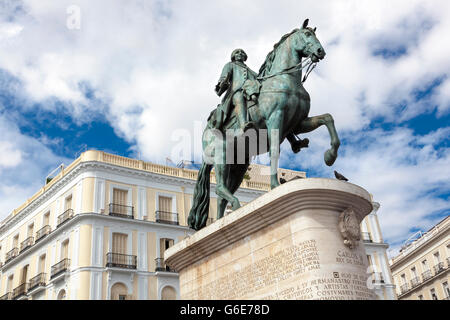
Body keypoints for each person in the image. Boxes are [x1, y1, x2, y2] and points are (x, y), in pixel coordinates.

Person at [214, 48, 261, 132]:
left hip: (251, 90)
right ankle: (244, 124)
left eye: (242, 52)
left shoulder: (248, 69)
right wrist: (221, 83)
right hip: (236, 91)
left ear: (245, 57)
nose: (240, 53)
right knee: (238, 97)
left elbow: (259, 77)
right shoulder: (230, 65)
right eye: (237, 52)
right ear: (233, 56)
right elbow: (224, 77)